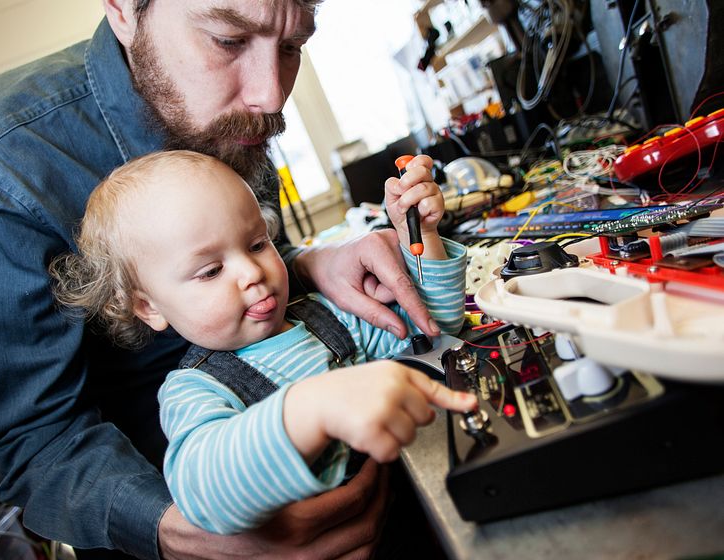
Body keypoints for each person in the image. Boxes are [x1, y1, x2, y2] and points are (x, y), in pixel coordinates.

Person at [0, 1, 442, 559]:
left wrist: (305, 263)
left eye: (292, 47)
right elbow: (40, 444)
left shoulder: (232, 109)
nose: (270, 97)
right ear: (125, 11)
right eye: (227, 40)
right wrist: (184, 534)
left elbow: (243, 253)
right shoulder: (1, 166)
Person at [49, 149, 476, 536]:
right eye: (211, 270)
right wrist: (308, 409)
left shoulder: (327, 315)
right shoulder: (194, 391)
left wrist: (424, 237)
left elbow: (430, 331)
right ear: (149, 307)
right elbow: (205, 495)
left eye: (257, 244)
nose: (251, 272)